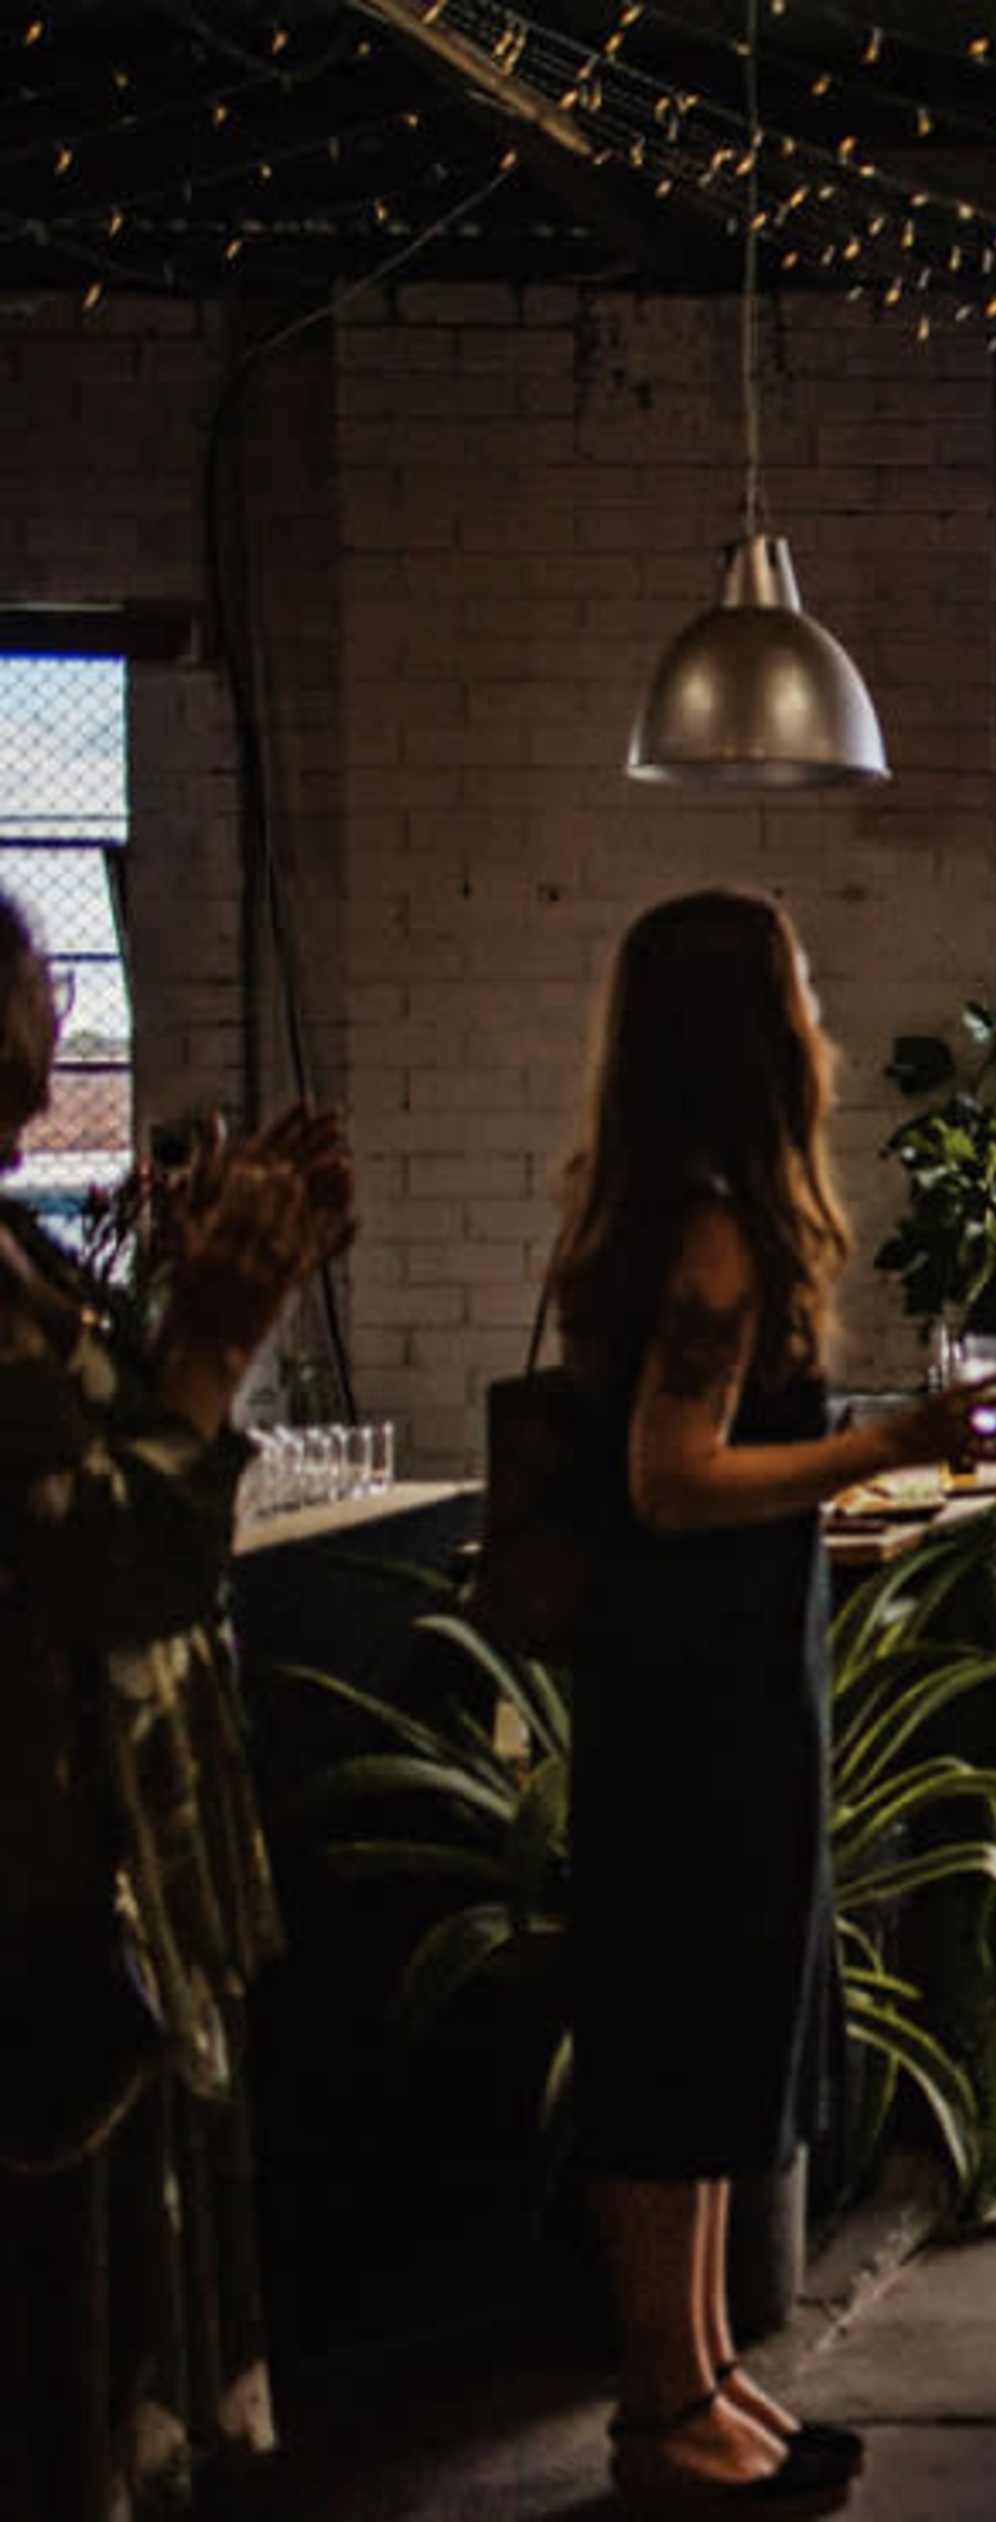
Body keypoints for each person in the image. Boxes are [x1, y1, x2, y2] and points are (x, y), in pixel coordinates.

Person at [548, 891, 996, 2508]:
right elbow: (673, 1478)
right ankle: (663, 2408)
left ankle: (705, 2374)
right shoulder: (716, 1234)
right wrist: (889, 1442)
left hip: (708, 1679)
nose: (820, 1017)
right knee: (681, 2034)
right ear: (753, 1034)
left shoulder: (674, 1208)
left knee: (715, 2026)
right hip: (695, 1696)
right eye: (801, 991)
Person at [0, 892, 350, 2522]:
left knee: (110, 2312)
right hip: (41, 1872)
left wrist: (196, 1287)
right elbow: (101, 1557)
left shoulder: (19, 1244)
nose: (41, 1059)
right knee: (56, 2340)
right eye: (30, 1008)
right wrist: (212, 1342)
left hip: (107, 1868)